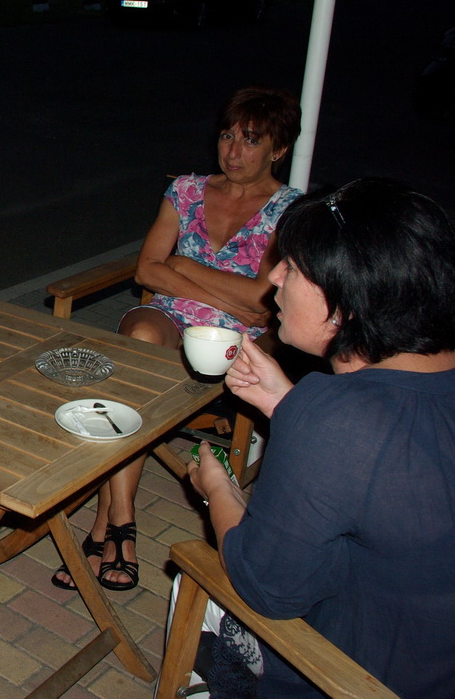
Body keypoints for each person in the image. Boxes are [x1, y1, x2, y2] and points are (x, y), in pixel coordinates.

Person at [187, 177, 455, 696]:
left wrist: (216, 489)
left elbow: (268, 588)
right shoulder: (375, 405)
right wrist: (287, 405)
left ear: (346, 300)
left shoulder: (336, 417)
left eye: (293, 267)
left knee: (194, 587)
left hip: (360, 677)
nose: (274, 277)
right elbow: (398, 462)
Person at [53, 87, 302, 593]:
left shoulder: (288, 210)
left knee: (131, 389)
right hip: (168, 320)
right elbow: (148, 269)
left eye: (251, 140)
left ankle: (103, 528)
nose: (233, 151)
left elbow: (260, 301)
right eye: (227, 136)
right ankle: (124, 517)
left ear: (278, 149)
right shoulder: (186, 191)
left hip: (233, 342)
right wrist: (220, 291)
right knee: (142, 337)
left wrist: (184, 265)